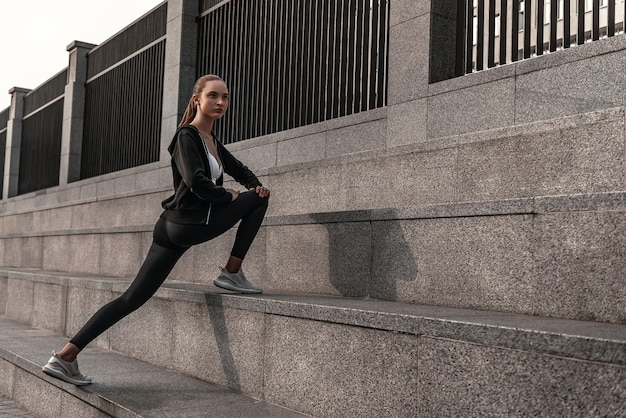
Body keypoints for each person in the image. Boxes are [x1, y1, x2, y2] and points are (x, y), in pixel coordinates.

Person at [41, 74, 270, 386]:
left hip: (171, 229)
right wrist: (229, 195)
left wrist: (255, 185)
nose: (220, 102)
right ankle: (232, 271)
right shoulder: (186, 137)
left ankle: (65, 356)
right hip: (187, 224)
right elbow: (196, 181)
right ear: (197, 100)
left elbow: (239, 169)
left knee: (132, 297)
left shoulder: (212, 142)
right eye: (213, 96)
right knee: (255, 204)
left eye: (225, 97)